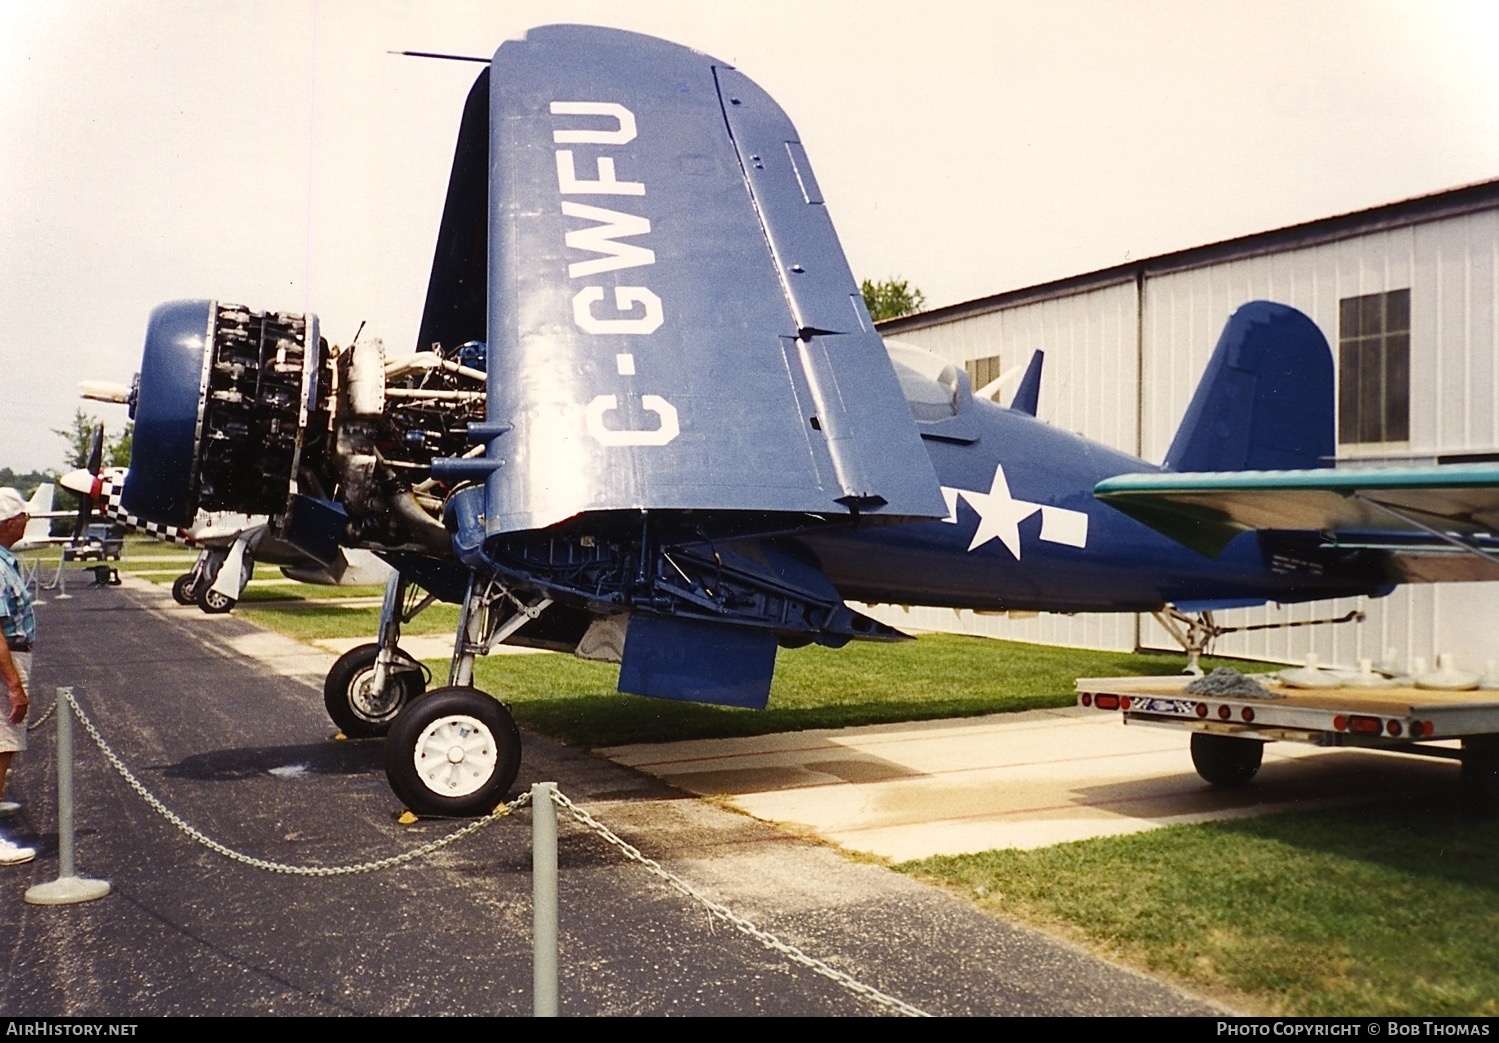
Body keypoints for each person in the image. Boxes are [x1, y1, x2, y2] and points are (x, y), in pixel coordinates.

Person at [0, 488, 36, 865]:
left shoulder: (6, 560)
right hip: (7, 661)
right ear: (10, 523)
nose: (27, 521)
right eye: (23, 516)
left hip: (11, 657)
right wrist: (14, 685)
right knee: (1, 746)